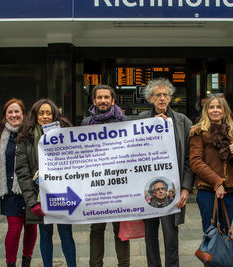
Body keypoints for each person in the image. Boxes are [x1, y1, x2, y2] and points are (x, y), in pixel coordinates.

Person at [139, 78, 194, 267]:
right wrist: (150, 126)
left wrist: (186, 187)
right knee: (150, 237)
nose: (162, 98)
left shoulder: (182, 121)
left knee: (171, 237)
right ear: (150, 99)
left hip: (173, 188)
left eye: (165, 95)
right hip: (148, 188)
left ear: (170, 98)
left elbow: (189, 158)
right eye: (157, 95)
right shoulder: (142, 120)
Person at [15, 99, 76, 267]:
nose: (45, 117)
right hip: (39, 196)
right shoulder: (25, 137)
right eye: (41, 113)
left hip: (63, 194)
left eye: (48, 113)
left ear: (54, 115)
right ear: (35, 115)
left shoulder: (66, 133)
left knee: (66, 234)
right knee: (45, 234)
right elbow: (23, 172)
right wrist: (33, 202)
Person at [81, 84, 130, 267]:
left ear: (113, 100)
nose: (103, 101)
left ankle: (124, 265)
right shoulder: (86, 123)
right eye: (99, 97)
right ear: (94, 100)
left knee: (121, 230)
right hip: (97, 187)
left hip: (119, 186)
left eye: (106, 97)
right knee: (97, 230)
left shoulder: (123, 121)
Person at [189, 95, 233, 237]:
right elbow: (196, 162)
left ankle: (225, 260)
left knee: (226, 232)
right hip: (207, 190)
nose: (215, 110)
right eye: (211, 107)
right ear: (206, 110)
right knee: (211, 234)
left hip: (229, 190)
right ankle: (211, 260)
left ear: (224, 110)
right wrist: (217, 182)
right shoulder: (198, 132)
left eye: (218, 107)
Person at [0, 99, 37, 267]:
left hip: (30, 189)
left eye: (17, 112)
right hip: (9, 190)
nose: (14, 115)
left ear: (23, 113)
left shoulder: (30, 133)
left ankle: (26, 261)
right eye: (10, 112)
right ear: (5, 115)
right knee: (14, 229)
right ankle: (11, 263)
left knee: (31, 228)